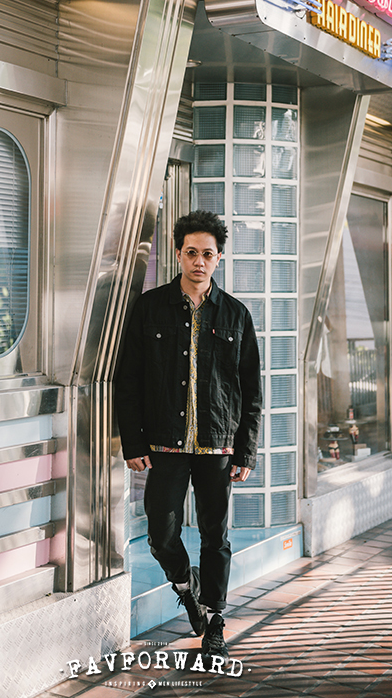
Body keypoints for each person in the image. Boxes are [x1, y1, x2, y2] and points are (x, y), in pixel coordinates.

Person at [115, 210, 262, 658]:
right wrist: (133, 441)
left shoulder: (236, 315)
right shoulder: (150, 308)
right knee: (161, 533)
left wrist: (246, 451)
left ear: (219, 258)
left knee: (216, 536)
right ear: (178, 253)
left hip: (217, 444)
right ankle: (185, 586)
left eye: (208, 254)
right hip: (165, 443)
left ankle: (215, 620)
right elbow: (128, 379)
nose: (199, 261)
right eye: (191, 252)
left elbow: (251, 390)